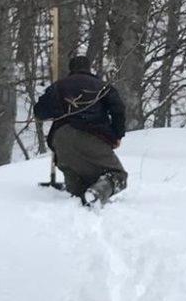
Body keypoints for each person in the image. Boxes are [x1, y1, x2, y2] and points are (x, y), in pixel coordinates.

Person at [34, 55, 127, 204]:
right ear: (89, 68)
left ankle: (81, 194)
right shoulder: (102, 86)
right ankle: (97, 193)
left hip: (61, 139)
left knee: (78, 188)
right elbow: (118, 110)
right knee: (118, 176)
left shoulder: (58, 87)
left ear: (71, 69)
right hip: (91, 137)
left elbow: (39, 112)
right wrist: (117, 135)